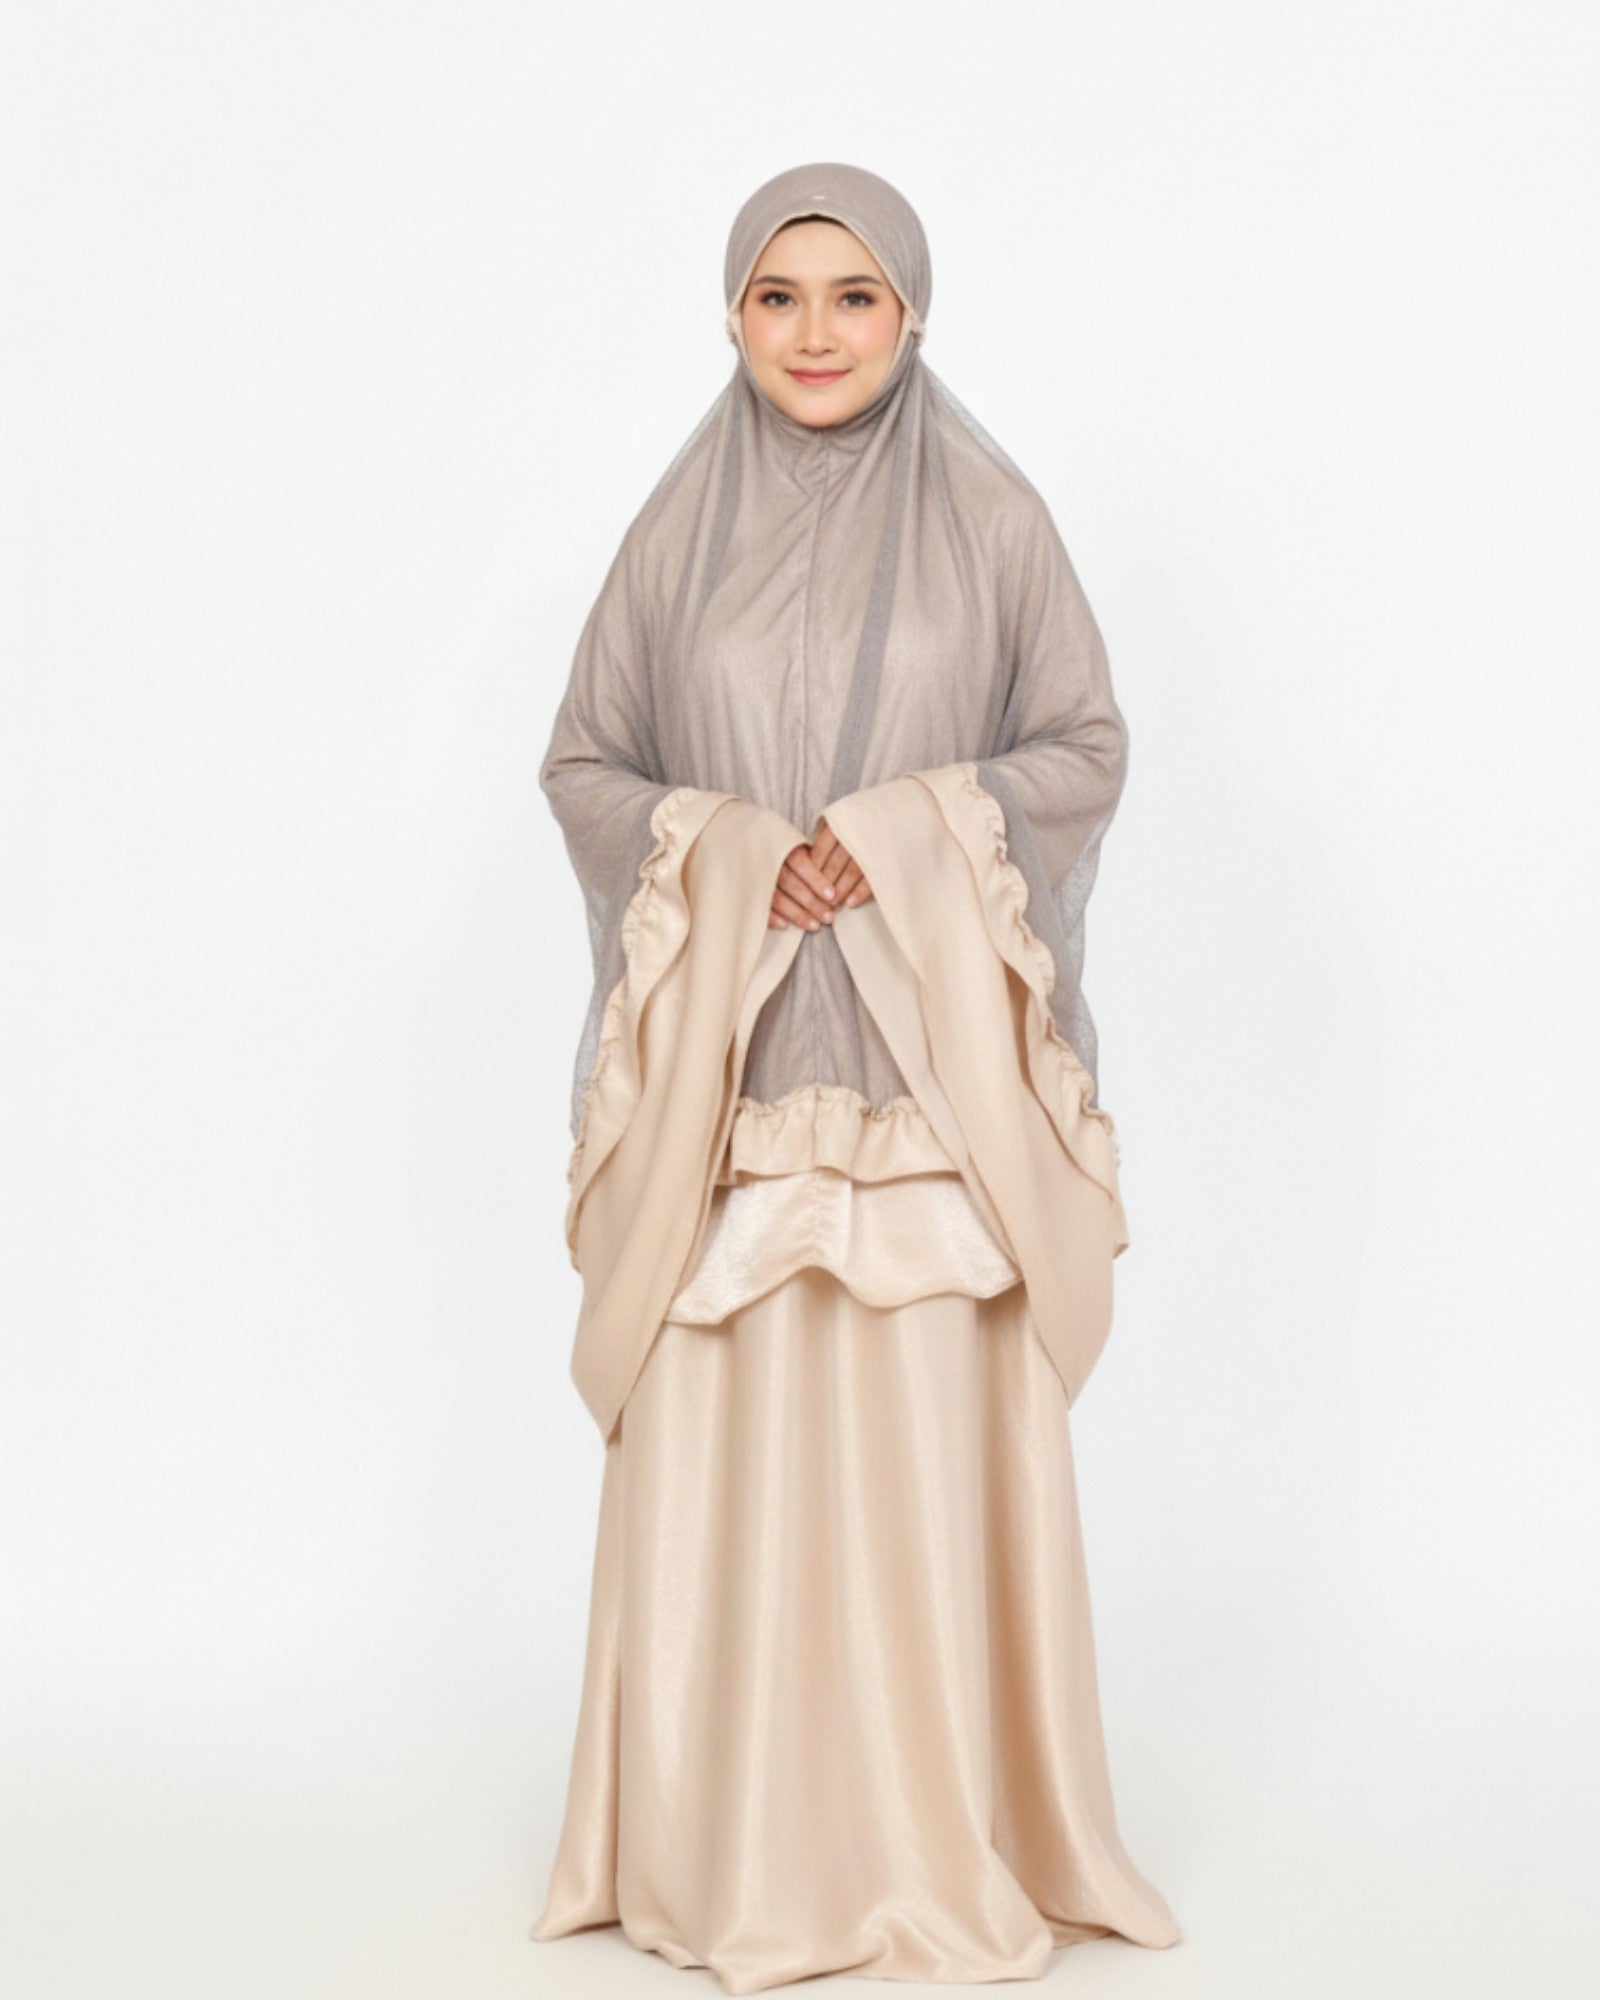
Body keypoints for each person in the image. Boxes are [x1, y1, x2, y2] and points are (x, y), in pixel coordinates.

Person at [528, 160, 1182, 1992]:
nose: (815, 334)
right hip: (738, 1103)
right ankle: (723, 1848)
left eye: (854, 296)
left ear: (911, 312)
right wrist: (730, 849)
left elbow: (1082, 743)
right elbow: (587, 765)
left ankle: (932, 1841)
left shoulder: (992, 519)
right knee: (731, 1462)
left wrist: (905, 837)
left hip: (922, 1104)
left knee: (915, 1469)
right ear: (734, 316)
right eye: (779, 296)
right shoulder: (675, 538)